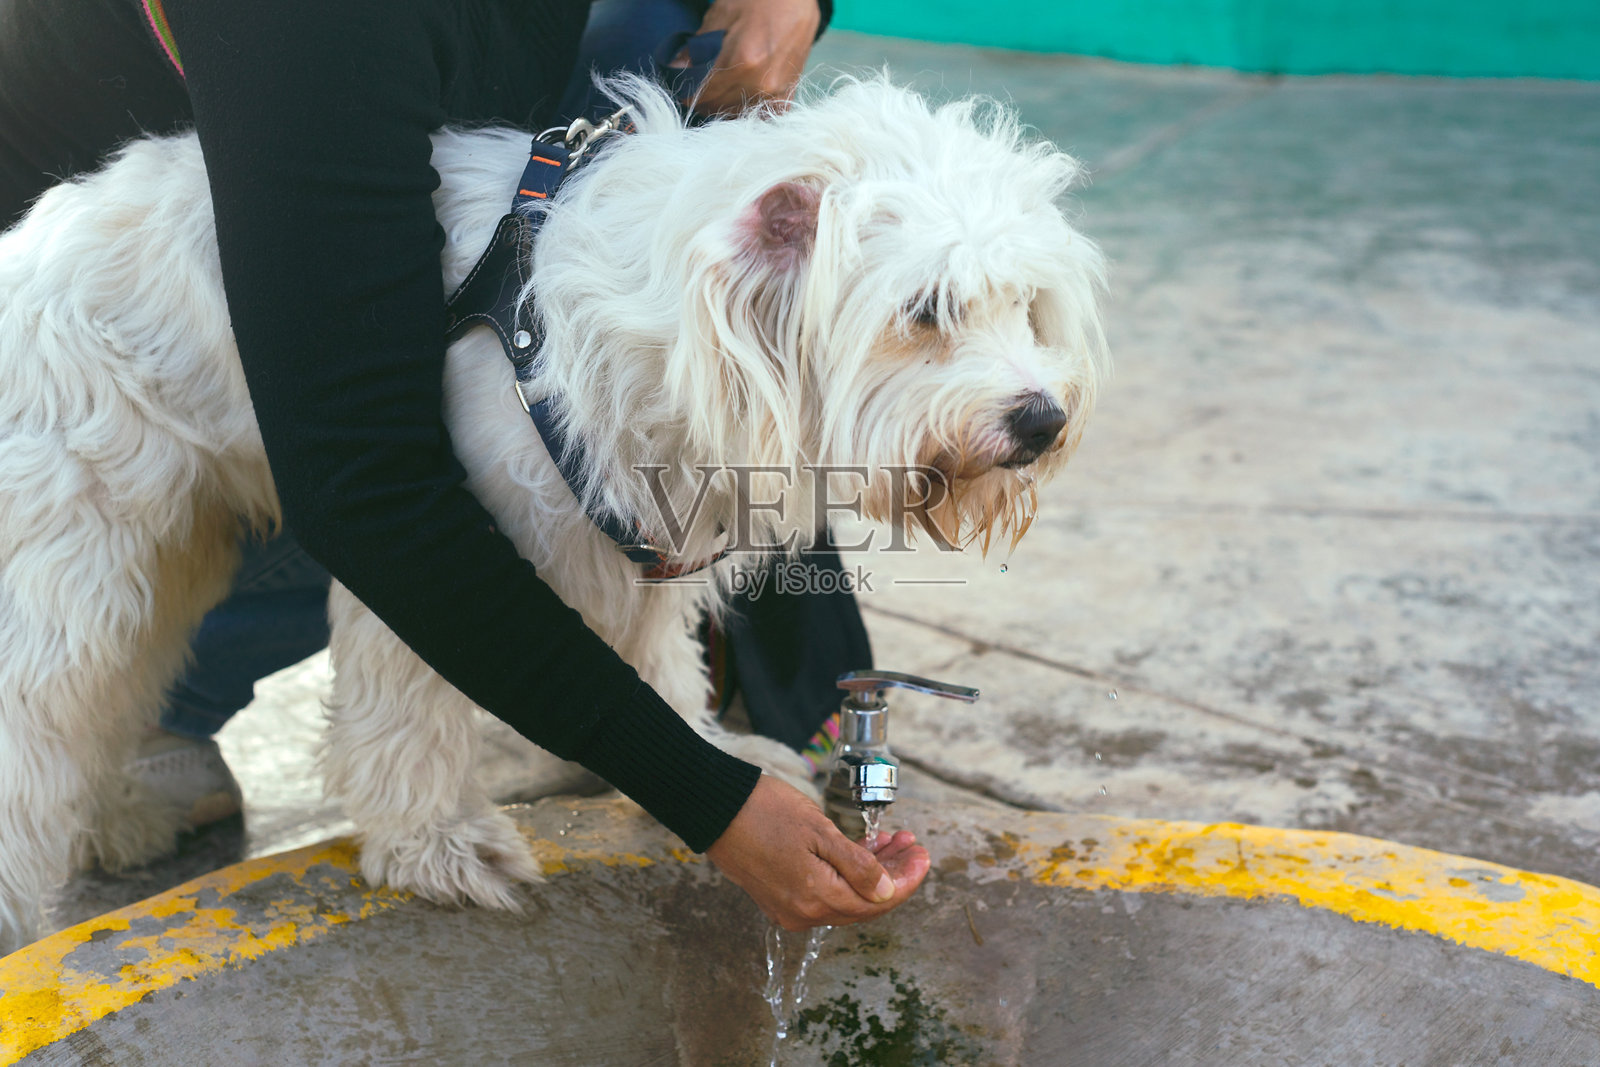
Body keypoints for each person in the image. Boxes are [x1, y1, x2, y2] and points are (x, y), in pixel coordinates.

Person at [0, 0, 930, 931]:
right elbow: (376, 489)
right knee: (60, 654)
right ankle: (390, 796)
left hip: (333, 201)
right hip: (91, 322)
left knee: (589, 462)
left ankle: (653, 702)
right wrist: (703, 797)